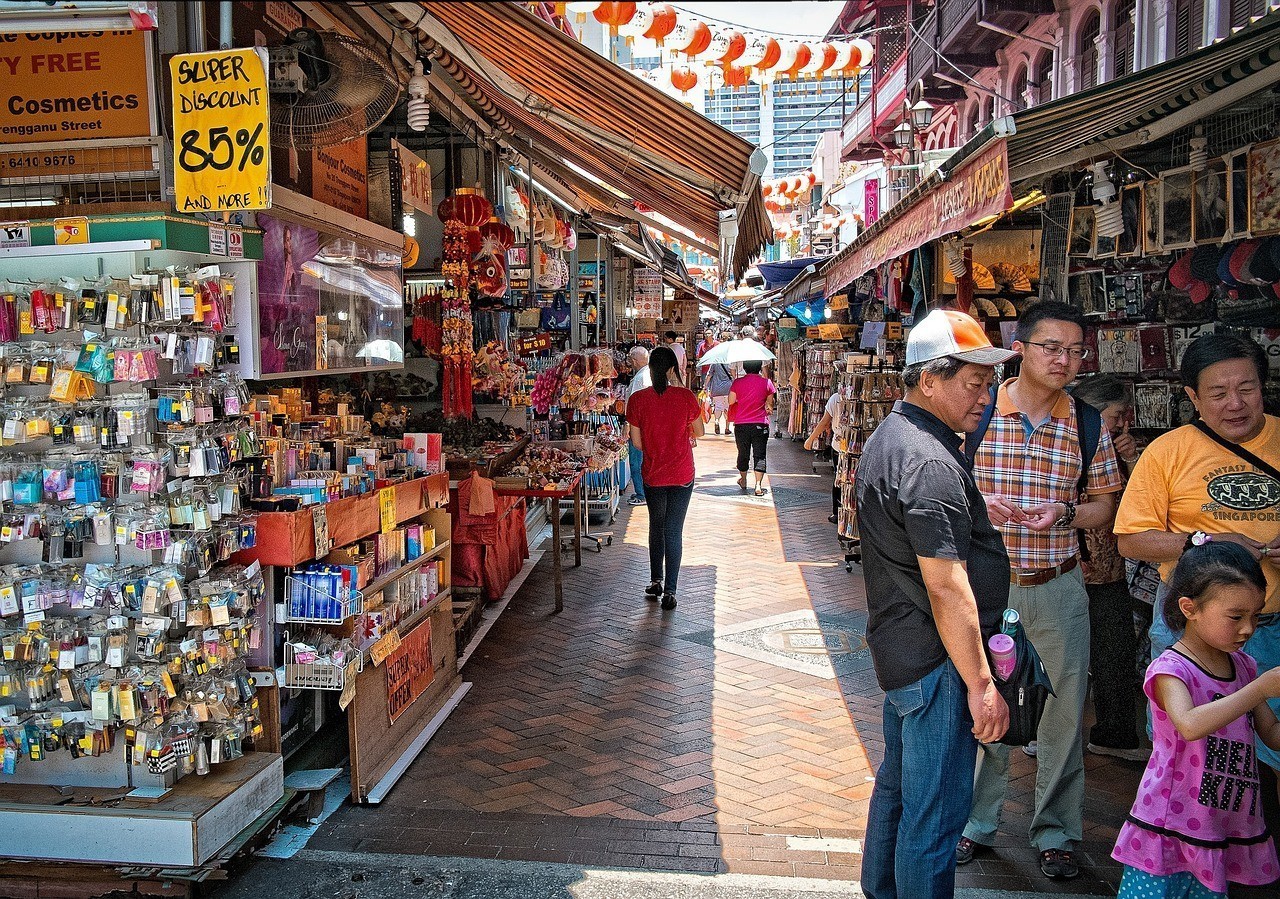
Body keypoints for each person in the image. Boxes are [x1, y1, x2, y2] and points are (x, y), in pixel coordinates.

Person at [959, 301, 1125, 881]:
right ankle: (975, 824)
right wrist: (979, 506)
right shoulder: (978, 414)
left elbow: (1105, 505)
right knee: (986, 703)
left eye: (1076, 350)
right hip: (987, 591)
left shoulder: (1086, 423)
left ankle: (1056, 831)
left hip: (1057, 586)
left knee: (1061, 712)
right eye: (1052, 346)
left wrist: (1066, 512)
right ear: (1020, 348)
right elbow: (939, 494)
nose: (1064, 359)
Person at [856, 308, 1014, 899]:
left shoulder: (897, 439)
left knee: (899, 794)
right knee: (933, 817)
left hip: (907, 655)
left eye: (987, 382)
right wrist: (980, 682)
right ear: (929, 379)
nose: (985, 396)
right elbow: (947, 587)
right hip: (935, 664)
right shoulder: (928, 460)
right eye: (973, 382)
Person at [1115, 332, 1280, 841]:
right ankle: (1202, 855)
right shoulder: (1168, 452)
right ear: (1192, 396)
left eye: (1247, 388)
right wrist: (1203, 540)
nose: (1235, 403)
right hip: (1194, 640)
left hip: (1276, 625)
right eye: (1218, 392)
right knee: (1198, 761)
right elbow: (1130, 540)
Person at [1111, 542, 1280, 897]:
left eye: (1256, 616)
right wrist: (1260, 689)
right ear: (1190, 609)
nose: (1248, 628)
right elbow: (1189, 724)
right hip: (1170, 820)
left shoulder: (1245, 667)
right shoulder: (1172, 669)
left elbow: (1271, 733)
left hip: (1218, 822)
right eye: (1236, 617)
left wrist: (1259, 687)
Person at [1069, 375, 1148, 761]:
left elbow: (1147, 501)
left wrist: (1131, 460)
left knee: (1114, 652)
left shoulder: (1120, 448)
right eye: (1116, 415)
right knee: (1062, 652)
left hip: (1110, 569)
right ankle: (1036, 730)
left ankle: (1114, 734)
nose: (1121, 424)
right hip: (1067, 565)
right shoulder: (1068, 441)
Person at [625, 346, 704, 611]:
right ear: (673, 368)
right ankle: (670, 590)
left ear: (649, 368)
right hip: (682, 472)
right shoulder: (685, 396)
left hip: (653, 473)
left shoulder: (637, 399)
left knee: (656, 525)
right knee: (674, 529)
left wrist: (657, 446)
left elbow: (636, 443)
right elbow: (700, 432)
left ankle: (655, 580)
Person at [728, 360, 776, 497]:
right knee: (759, 454)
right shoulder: (767, 383)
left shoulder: (737, 382)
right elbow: (769, 404)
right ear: (759, 367)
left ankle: (743, 479)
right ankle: (758, 485)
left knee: (743, 453)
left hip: (741, 424)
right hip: (761, 424)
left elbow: (731, 401)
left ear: (744, 367)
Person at [804, 390, 843, 523]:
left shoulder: (836, 398)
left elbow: (824, 422)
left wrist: (811, 439)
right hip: (857, 447)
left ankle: (837, 513)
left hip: (839, 445)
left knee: (839, 479)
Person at [622, 346, 652, 507]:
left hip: (638, 426)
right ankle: (642, 491)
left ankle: (641, 494)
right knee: (639, 460)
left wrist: (629, 424)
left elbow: (638, 404)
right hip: (642, 425)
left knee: (636, 460)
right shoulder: (646, 374)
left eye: (631, 359)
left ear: (634, 360)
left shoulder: (643, 377)